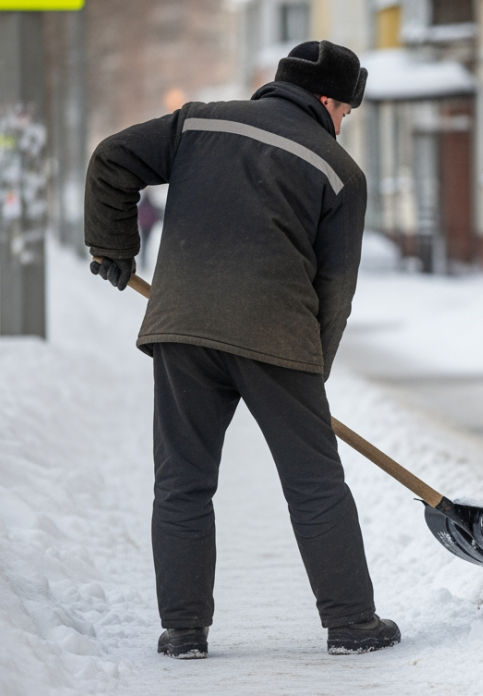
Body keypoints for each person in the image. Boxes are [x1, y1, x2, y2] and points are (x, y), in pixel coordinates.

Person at [83, 40, 399, 658]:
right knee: (314, 483)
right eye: (346, 113)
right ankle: (352, 624)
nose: (343, 124)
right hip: (275, 335)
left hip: (182, 326)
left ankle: (183, 632)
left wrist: (113, 247)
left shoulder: (198, 123)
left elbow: (111, 159)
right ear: (330, 101)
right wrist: (313, 372)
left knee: (181, 483)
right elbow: (335, 291)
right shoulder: (339, 171)